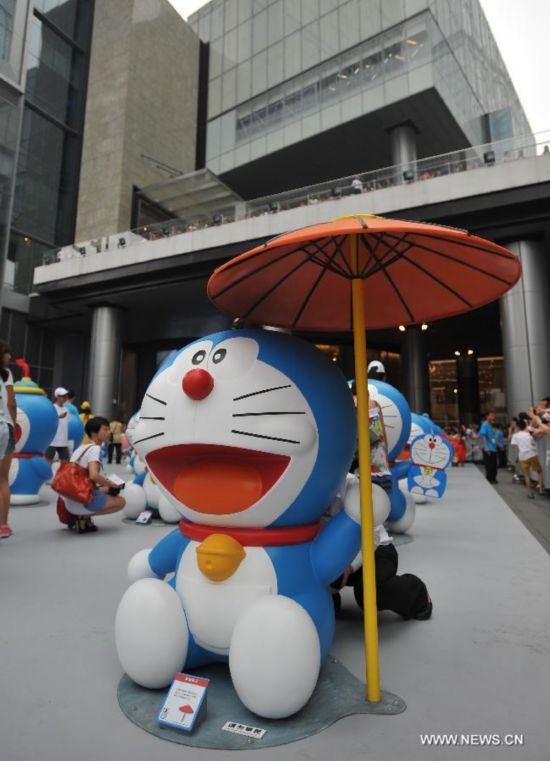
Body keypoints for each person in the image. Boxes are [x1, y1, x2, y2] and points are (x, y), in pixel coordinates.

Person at [57, 416, 126, 532]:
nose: (109, 432)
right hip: (81, 503)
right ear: (94, 433)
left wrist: (107, 485)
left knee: (106, 488)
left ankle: (82, 518)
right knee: (121, 502)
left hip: (69, 500)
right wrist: (112, 484)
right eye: (105, 429)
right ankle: (83, 517)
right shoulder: (95, 449)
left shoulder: (81, 448)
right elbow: (93, 475)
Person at [0, 341, 16, 538]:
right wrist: (12, 424)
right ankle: (2, 525)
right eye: (6, 353)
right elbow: (12, 403)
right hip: (4, 426)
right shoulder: (6, 374)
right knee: (2, 479)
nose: (9, 357)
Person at [510, 418, 544, 499]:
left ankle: (529, 493)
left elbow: (515, 447)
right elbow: (534, 441)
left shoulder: (515, 436)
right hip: (532, 455)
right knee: (539, 471)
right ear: (525, 426)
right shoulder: (529, 434)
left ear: (517, 427)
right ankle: (541, 489)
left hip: (522, 457)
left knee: (527, 475)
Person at [45, 387, 71, 464]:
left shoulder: (67, 410)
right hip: (52, 440)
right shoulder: (52, 407)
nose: (65, 398)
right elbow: (48, 421)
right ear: (57, 396)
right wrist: (58, 417)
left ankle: (61, 476)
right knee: (48, 460)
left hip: (63, 440)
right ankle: (47, 476)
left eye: (66, 396)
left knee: (65, 462)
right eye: (63, 396)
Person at [478, 411, 498, 483]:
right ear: (487, 416)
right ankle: (490, 478)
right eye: (492, 415)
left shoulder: (490, 425)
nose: (493, 417)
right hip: (489, 448)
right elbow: (483, 436)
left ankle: (493, 478)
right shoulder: (485, 425)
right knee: (489, 464)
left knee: (494, 464)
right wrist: (486, 448)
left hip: (493, 447)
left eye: (494, 415)